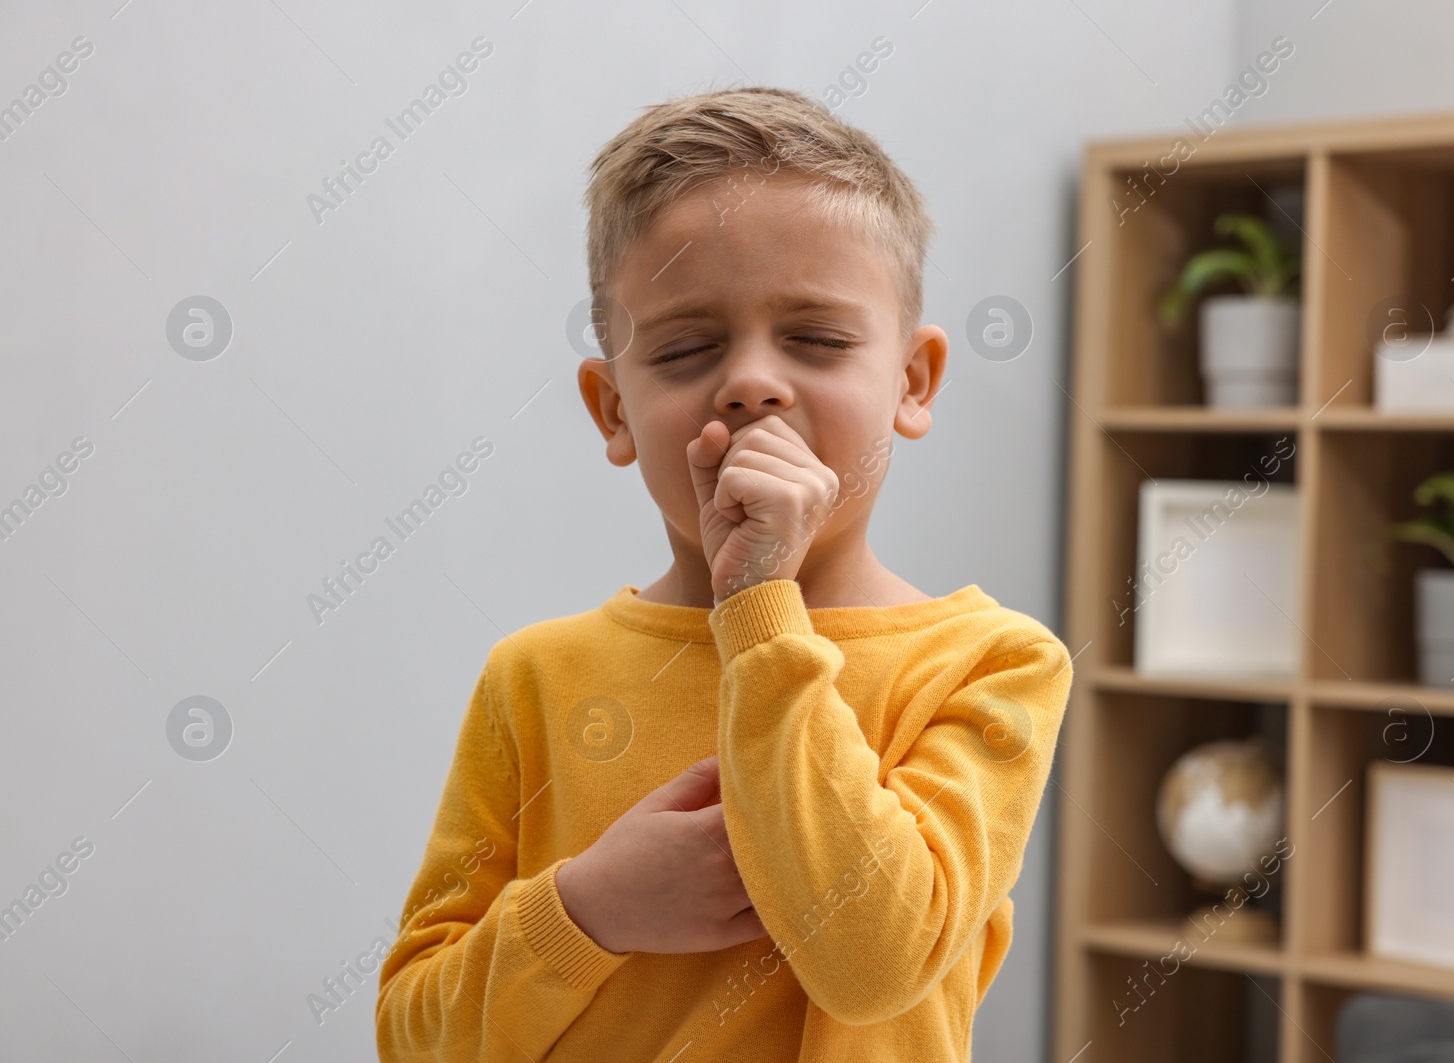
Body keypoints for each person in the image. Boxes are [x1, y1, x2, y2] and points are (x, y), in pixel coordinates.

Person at [374, 85, 1075, 1063]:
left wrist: (758, 611)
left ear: (912, 382)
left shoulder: (991, 664)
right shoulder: (530, 679)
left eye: (819, 339)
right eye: (688, 347)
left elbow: (874, 960)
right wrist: (589, 909)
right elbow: (416, 1039)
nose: (751, 381)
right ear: (612, 409)